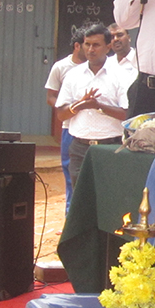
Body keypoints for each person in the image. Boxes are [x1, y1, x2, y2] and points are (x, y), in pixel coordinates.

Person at [54, 24, 128, 187]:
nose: (90, 50)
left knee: (108, 194)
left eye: (96, 45)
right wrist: (79, 105)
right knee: (80, 195)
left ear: (108, 47)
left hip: (111, 147)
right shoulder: (73, 75)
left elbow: (127, 114)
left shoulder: (121, 74)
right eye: (87, 44)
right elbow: (61, 114)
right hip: (79, 148)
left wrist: (98, 106)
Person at [44, 29, 86, 211]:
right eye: (87, 45)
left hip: (92, 129)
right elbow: (50, 97)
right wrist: (67, 109)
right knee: (70, 174)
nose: (91, 49)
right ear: (77, 46)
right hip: (69, 127)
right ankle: (70, 216)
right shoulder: (61, 67)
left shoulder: (101, 67)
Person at [105, 23, 138, 91]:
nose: (115, 39)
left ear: (129, 38)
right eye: (112, 37)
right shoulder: (106, 64)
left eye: (119, 35)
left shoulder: (140, 61)